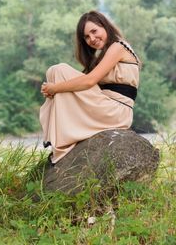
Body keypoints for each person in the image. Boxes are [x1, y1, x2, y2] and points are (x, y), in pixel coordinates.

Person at [39, 10, 141, 164]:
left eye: (94, 31)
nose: (92, 38)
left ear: (104, 25)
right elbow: (84, 83)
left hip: (117, 110)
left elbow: (89, 81)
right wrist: (54, 89)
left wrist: (55, 88)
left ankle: (63, 142)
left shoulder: (119, 46)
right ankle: (62, 139)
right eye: (86, 37)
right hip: (104, 105)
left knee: (60, 70)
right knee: (55, 71)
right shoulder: (101, 57)